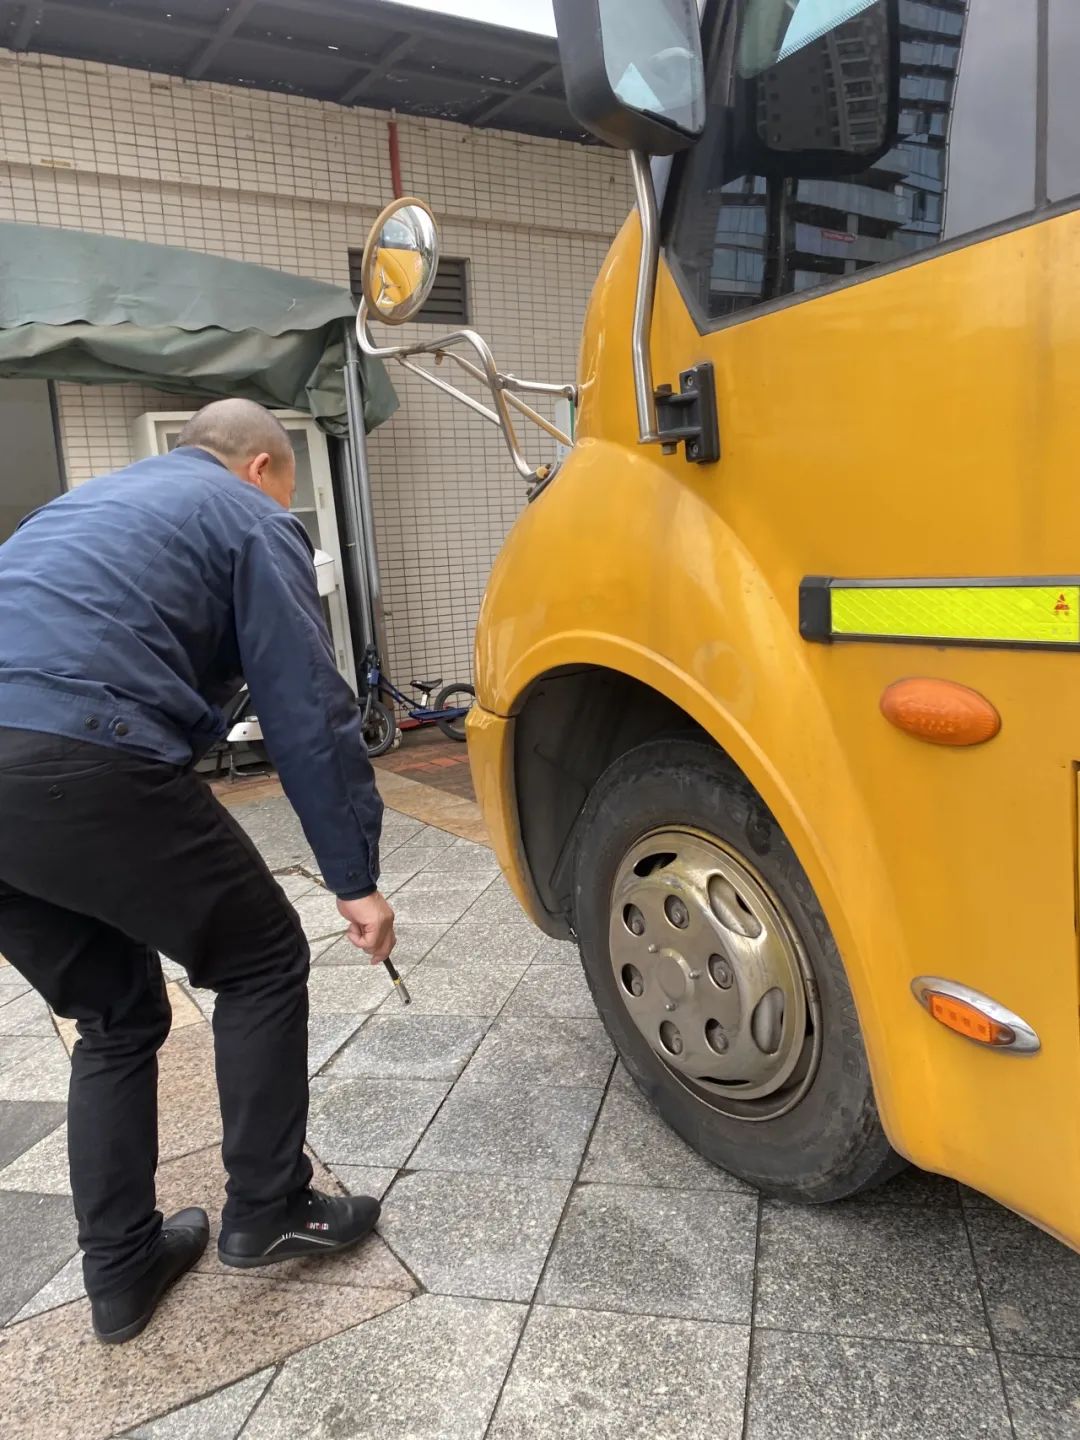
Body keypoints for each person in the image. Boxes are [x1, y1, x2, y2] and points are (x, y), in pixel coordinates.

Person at [0, 398, 396, 1344]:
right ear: (261, 466)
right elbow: (306, 704)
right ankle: (269, 1209)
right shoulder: (251, 515)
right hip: (82, 751)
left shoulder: (84, 506)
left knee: (113, 1013)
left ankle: (123, 1269)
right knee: (259, 958)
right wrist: (355, 877)